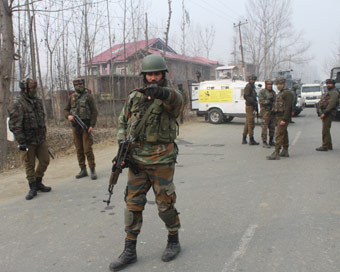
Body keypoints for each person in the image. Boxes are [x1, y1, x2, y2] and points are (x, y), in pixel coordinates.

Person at [109, 54, 183, 271]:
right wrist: (122, 145)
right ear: (144, 76)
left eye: (157, 74)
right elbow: (123, 121)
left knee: (165, 205)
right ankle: (130, 250)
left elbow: (177, 100)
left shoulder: (171, 96)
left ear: (163, 75)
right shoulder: (135, 97)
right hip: (137, 162)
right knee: (132, 205)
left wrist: (161, 93)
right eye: (149, 74)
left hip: (162, 161)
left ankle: (173, 240)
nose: (152, 78)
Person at [8, 78, 51, 200]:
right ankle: (32, 187)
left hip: (40, 138)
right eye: (32, 89)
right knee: (29, 164)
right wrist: (22, 142)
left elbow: (42, 118)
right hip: (27, 141)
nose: (35, 91)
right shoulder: (18, 104)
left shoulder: (37, 101)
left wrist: (43, 134)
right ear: (25, 90)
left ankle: (38, 181)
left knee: (45, 160)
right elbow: (15, 125)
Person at [64, 78, 98, 179]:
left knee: (87, 149)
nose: (79, 86)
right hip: (75, 127)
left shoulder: (88, 97)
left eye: (81, 84)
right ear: (74, 86)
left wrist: (92, 125)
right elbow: (66, 110)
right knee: (79, 149)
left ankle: (92, 169)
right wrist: (68, 116)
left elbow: (94, 112)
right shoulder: (71, 97)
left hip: (86, 126)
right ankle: (83, 169)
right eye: (77, 85)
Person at [267, 77, 294, 160]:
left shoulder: (287, 93)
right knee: (284, 133)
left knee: (279, 134)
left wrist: (285, 119)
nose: (278, 85)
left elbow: (289, 107)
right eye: (278, 84)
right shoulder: (281, 93)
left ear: (284, 84)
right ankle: (285, 150)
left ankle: (276, 152)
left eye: (280, 84)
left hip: (283, 116)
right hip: (279, 116)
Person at [315, 79, 340, 151]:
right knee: (326, 129)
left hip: (329, 112)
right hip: (326, 112)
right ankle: (329, 145)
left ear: (333, 84)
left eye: (330, 83)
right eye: (327, 83)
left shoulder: (334, 92)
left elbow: (332, 104)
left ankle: (325, 146)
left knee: (325, 130)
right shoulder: (329, 91)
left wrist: (325, 113)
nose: (328, 85)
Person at [242, 74, 260, 145]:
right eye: (251, 79)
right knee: (251, 123)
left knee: (248, 123)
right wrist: (253, 102)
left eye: (253, 79)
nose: (252, 81)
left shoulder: (252, 87)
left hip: (252, 106)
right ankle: (251, 139)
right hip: (249, 106)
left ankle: (244, 138)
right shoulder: (248, 86)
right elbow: (246, 96)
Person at [258, 80, 276, 148]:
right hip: (265, 113)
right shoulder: (262, 92)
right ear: (266, 85)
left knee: (272, 127)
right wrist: (268, 101)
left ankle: (271, 141)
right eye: (268, 84)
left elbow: (275, 101)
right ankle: (264, 141)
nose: (270, 86)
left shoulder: (273, 92)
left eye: (271, 84)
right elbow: (261, 101)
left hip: (272, 113)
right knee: (264, 128)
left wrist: (274, 106)